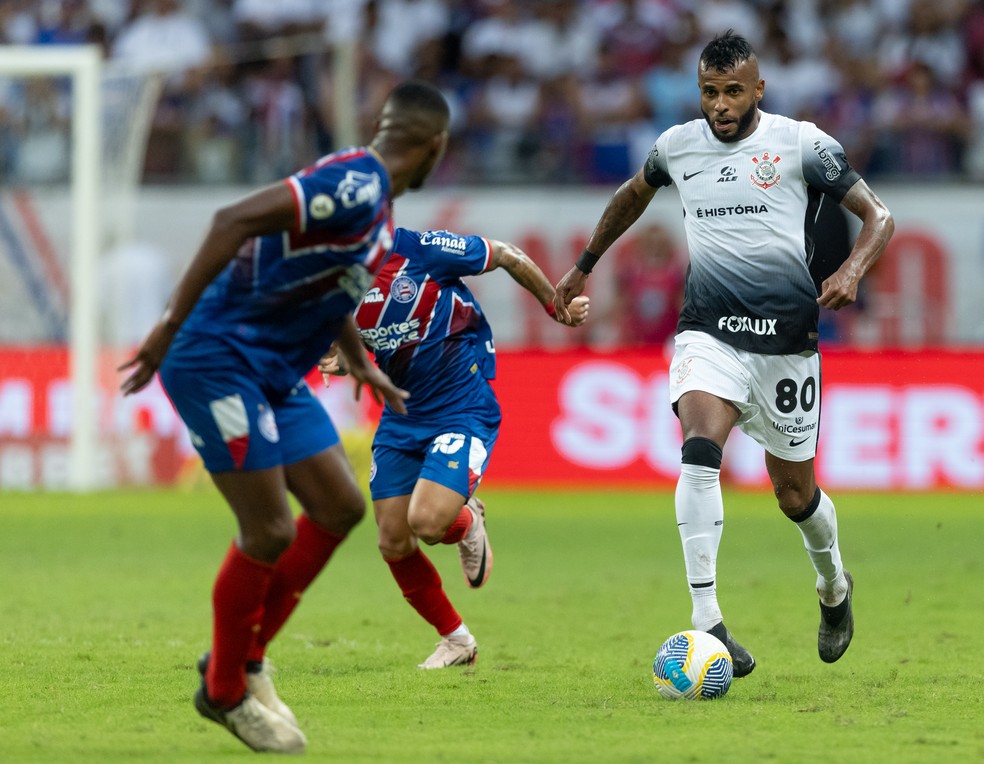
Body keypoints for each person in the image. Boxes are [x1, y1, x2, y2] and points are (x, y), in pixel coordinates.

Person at [118, 80, 451, 753]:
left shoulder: (379, 212)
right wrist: (166, 327)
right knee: (268, 529)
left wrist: (357, 359)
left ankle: (245, 659)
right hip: (217, 357)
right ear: (433, 147)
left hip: (272, 368)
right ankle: (224, 692)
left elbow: (333, 291)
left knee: (338, 505)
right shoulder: (355, 185)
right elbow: (230, 221)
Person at [554, 31, 894, 677]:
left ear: (758, 89)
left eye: (733, 91)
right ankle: (707, 620)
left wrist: (852, 271)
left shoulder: (801, 143)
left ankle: (833, 588)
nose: (720, 105)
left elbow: (879, 216)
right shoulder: (677, 147)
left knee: (795, 496)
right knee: (699, 451)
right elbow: (632, 195)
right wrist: (582, 267)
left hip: (787, 347)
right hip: (709, 333)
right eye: (710, 92)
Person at [321, 227, 589, 669]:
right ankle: (456, 640)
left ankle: (466, 521)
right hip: (401, 411)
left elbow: (506, 254)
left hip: (460, 405)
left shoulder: (422, 251)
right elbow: (373, 342)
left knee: (426, 521)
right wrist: (344, 360)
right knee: (392, 539)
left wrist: (554, 306)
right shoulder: (337, 284)